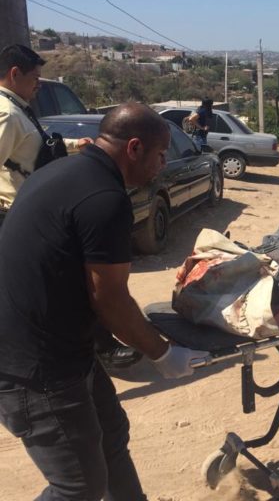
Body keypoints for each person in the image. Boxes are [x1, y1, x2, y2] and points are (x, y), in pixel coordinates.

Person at [0, 102, 209, 500]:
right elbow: (110, 299)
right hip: (33, 366)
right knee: (78, 486)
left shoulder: (60, 171)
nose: (162, 164)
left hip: (63, 346)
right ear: (134, 148)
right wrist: (163, 354)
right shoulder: (105, 199)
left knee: (111, 435)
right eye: (160, 154)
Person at [0, 44, 137, 369]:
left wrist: (74, 145)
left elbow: (33, 145)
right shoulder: (6, 113)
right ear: (15, 73)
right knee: (73, 280)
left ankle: (92, 346)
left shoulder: (17, 108)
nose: (38, 84)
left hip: (27, 210)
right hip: (16, 214)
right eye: (35, 78)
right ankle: (99, 348)